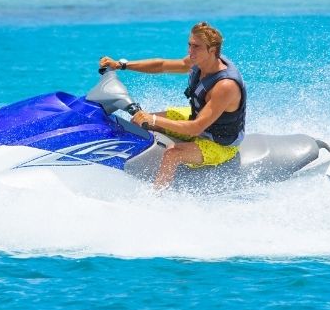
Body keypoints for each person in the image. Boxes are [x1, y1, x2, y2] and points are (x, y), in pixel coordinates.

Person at [99, 21, 246, 189]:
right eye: (189, 45)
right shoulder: (200, 61)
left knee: (172, 154)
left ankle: (158, 198)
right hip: (197, 117)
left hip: (218, 143)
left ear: (212, 50)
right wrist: (121, 65)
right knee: (139, 122)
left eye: (196, 47)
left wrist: (153, 119)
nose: (190, 51)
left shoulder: (225, 86)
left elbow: (195, 129)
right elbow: (162, 65)